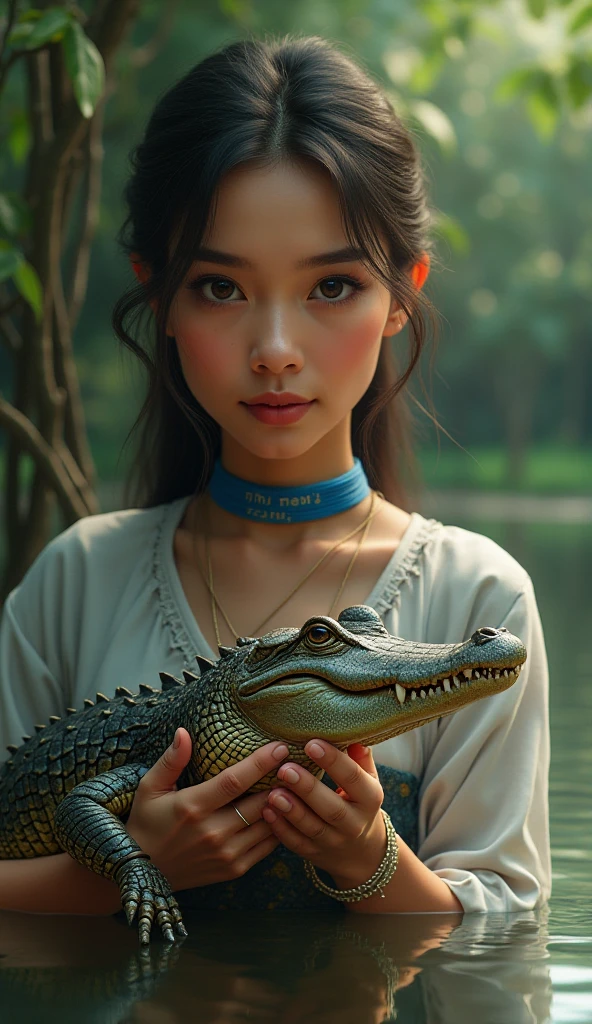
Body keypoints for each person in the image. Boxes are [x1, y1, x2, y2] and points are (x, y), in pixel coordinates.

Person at [0, 36, 550, 919]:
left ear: (401, 295)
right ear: (161, 298)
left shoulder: (476, 594)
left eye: (332, 285)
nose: (277, 352)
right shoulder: (73, 583)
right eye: (220, 287)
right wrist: (127, 866)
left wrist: (371, 858)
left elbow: (504, 938)